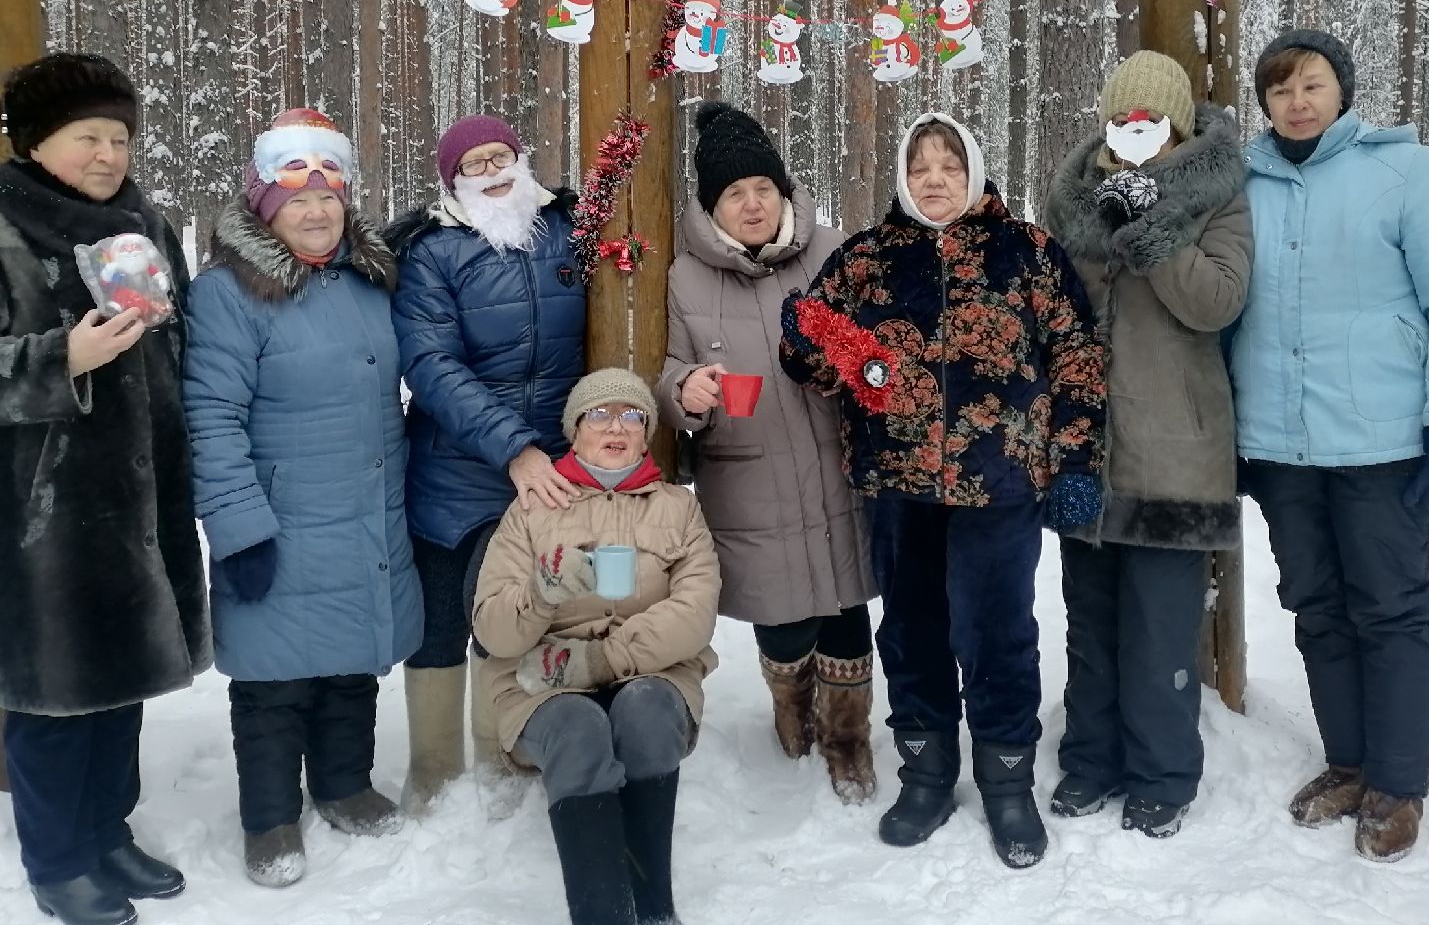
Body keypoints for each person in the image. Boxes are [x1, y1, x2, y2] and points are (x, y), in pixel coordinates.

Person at [780, 112, 1104, 869]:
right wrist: (813, 335)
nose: (934, 180)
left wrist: (1076, 461)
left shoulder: (1027, 252)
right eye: (919, 167)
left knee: (998, 634)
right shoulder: (867, 257)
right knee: (912, 630)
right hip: (898, 486)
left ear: (975, 174)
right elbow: (806, 361)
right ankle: (925, 774)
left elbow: (1078, 357)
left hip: (1002, 485)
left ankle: (1007, 780)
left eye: (949, 166)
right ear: (901, 177)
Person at [0, 54, 210, 925]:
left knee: (122, 688)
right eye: (86, 136)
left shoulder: (147, 227)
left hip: (141, 506)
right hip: (39, 520)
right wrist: (63, 357)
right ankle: (57, 862)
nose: (107, 154)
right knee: (56, 701)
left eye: (119, 137)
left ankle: (106, 832)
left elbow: (180, 345)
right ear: (34, 142)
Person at [1233, 29, 1429, 862]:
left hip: (1382, 444)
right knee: (1318, 607)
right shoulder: (1243, 182)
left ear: (1342, 91)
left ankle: (1398, 782)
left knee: (1393, 607)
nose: (1297, 101)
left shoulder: (1403, 172)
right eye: (1280, 89)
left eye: (1312, 84)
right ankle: (1348, 762)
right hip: (1282, 448)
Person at [182, 108, 423, 886]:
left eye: (328, 196)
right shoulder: (227, 294)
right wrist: (239, 528)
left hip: (366, 511)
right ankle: (270, 818)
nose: (317, 212)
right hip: (280, 518)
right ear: (264, 207)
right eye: (297, 200)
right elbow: (210, 417)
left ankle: (345, 783)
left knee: (352, 664)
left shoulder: (368, 281)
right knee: (274, 679)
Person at [1044, 52, 1251, 839]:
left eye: (1149, 122)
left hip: (1176, 449)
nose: (1134, 133)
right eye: (1121, 120)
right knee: (1091, 626)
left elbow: (1218, 300)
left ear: (1177, 128)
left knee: (1161, 629)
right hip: (1086, 447)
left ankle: (1163, 772)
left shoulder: (1215, 194)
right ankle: (1090, 759)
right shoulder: (1073, 199)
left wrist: (1152, 229)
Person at [656, 102, 877, 803]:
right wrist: (684, 390)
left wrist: (857, 365)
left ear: (784, 191)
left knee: (846, 607)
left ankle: (848, 738)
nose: (752, 204)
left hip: (838, 471)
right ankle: (793, 709)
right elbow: (668, 370)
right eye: (734, 193)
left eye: (763, 188)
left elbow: (882, 351)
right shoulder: (685, 277)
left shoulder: (835, 250)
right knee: (784, 622)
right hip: (750, 480)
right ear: (711, 207)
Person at [386, 115, 586, 809]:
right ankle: (434, 768)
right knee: (440, 619)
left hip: (549, 468)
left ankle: (501, 753)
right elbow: (431, 364)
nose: (492, 171)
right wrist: (513, 448)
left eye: (501, 156)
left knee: (516, 615)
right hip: (453, 467)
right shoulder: (432, 251)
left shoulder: (567, 230)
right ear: (453, 181)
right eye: (473, 164)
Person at [472, 369, 720, 925]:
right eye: (599, 414)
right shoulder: (533, 508)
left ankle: (654, 910)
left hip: (654, 670)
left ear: (646, 432)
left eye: (632, 416)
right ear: (575, 430)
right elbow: (493, 630)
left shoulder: (678, 507)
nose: (616, 427)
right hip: (542, 678)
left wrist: (600, 660)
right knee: (578, 730)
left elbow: (694, 615)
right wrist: (541, 593)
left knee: (647, 712)